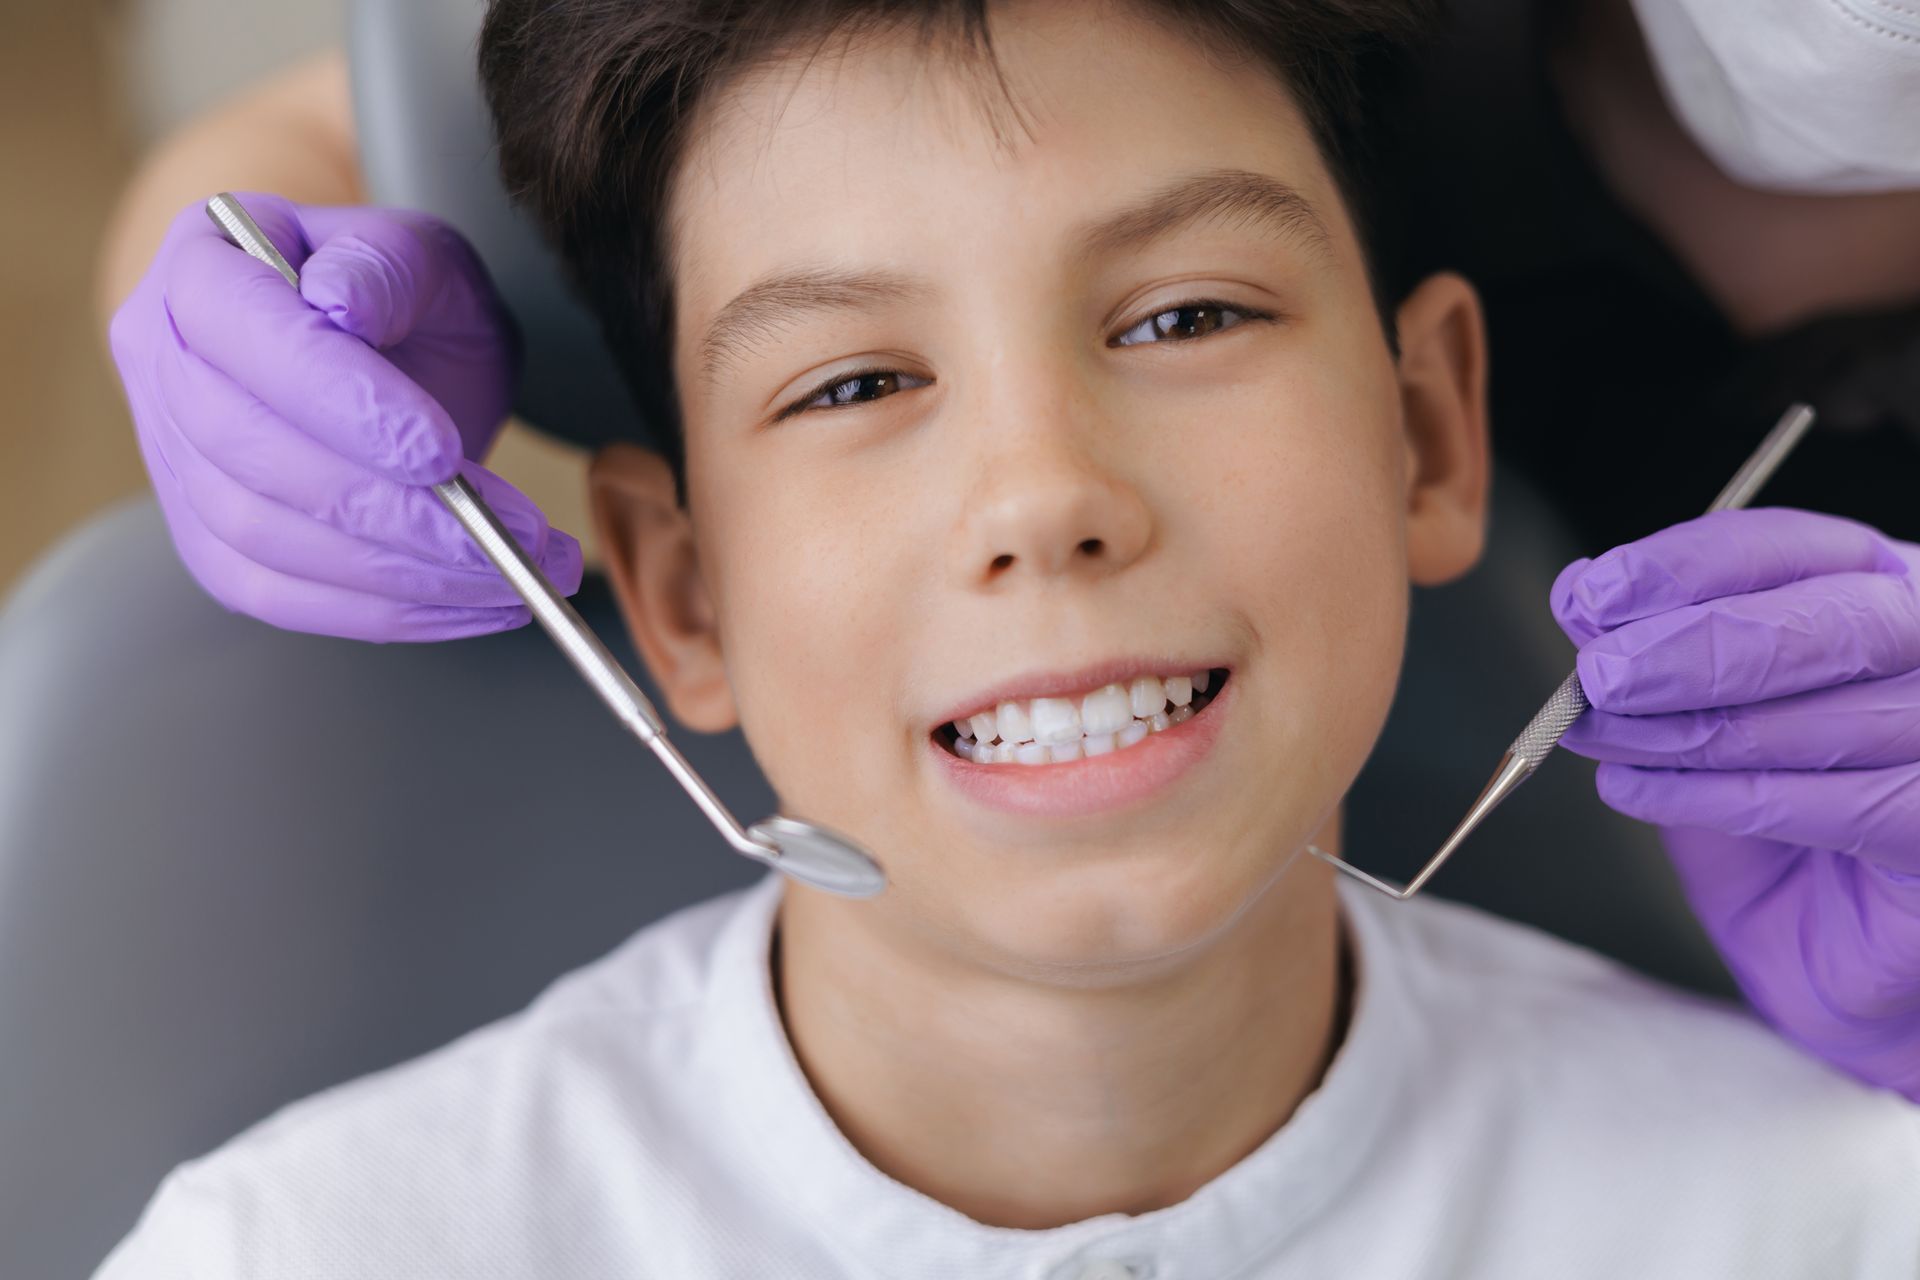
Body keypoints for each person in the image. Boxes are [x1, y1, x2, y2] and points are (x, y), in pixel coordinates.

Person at [93, 2, 1920, 1275]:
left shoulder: (1827, 1219)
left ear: (1429, 428)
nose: (1045, 494)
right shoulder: (306, 1254)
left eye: (1187, 313)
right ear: (679, 588)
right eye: (857, 379)